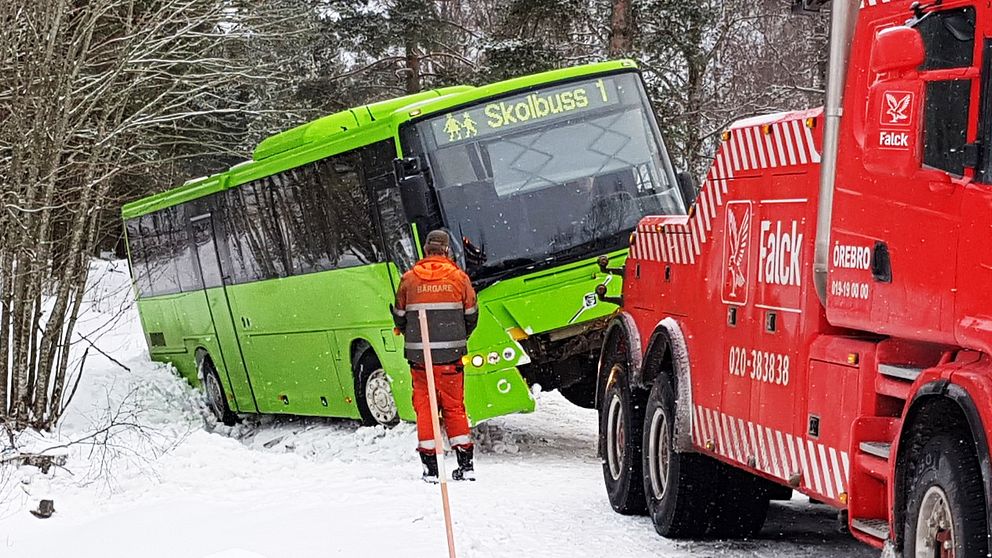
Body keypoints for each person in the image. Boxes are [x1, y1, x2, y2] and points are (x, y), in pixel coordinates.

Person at [391, 230, 479, 483]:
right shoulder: (459, 279)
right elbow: (471, 314)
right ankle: (466, 464)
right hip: (451, 359)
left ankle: (430, 468)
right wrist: (458, 337)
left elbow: (399, 315)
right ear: (447, 251)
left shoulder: (408, 280)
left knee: (426, 409)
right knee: (454, 408)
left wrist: (412, 332)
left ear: (426, 250)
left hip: (421, 361)